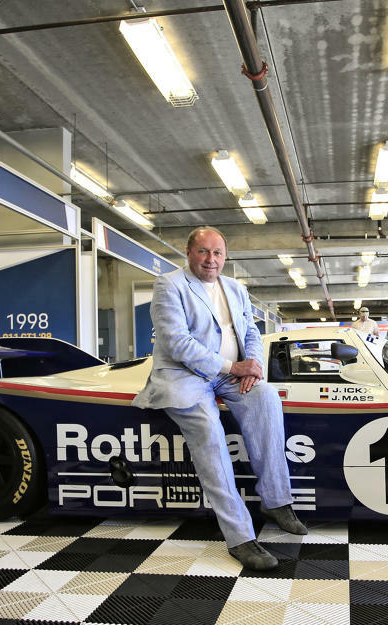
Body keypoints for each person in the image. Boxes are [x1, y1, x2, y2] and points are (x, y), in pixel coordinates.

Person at [133, 226, 305, 571]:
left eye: (217, 253)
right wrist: (233, 365)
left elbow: (252, 331)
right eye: (203, 252)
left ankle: (276, 501)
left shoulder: (235, 288)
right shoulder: (169, 285)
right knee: (210, 435)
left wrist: (253, 367)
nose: (211, 260)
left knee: (267, 397)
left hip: (232, 376)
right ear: (188, 252)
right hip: (186, 377)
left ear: (225, 257)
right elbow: (178, 343)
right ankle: (240, 536)